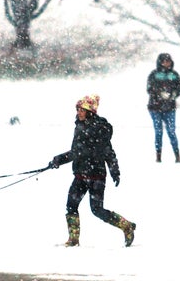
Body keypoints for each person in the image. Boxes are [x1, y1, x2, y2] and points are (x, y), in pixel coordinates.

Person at [48, 95, 136, 247]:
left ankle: (126, 226)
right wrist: (58, 160)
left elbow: (109, 152)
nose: (79, 112)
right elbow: (76, 152)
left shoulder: (99, 129)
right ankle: (73, 239)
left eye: (82, 109)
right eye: (78, 109)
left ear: (90, 112)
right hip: (80, 175)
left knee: (97, 210)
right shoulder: (79, 127)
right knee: (71, 205)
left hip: (97, 176)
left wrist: (115, 171)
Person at [147, 53, 180, 163]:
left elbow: (179, 88)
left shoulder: (174, 74)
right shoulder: (154, 74)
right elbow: (149, 88)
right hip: (155, 107)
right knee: (158, 131)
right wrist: (159, 95)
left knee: (171, 131)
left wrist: (172, 95)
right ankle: (158, 155)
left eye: (168, 61)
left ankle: (177, 155)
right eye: (164, 61)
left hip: (170, 108)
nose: (166, 63)